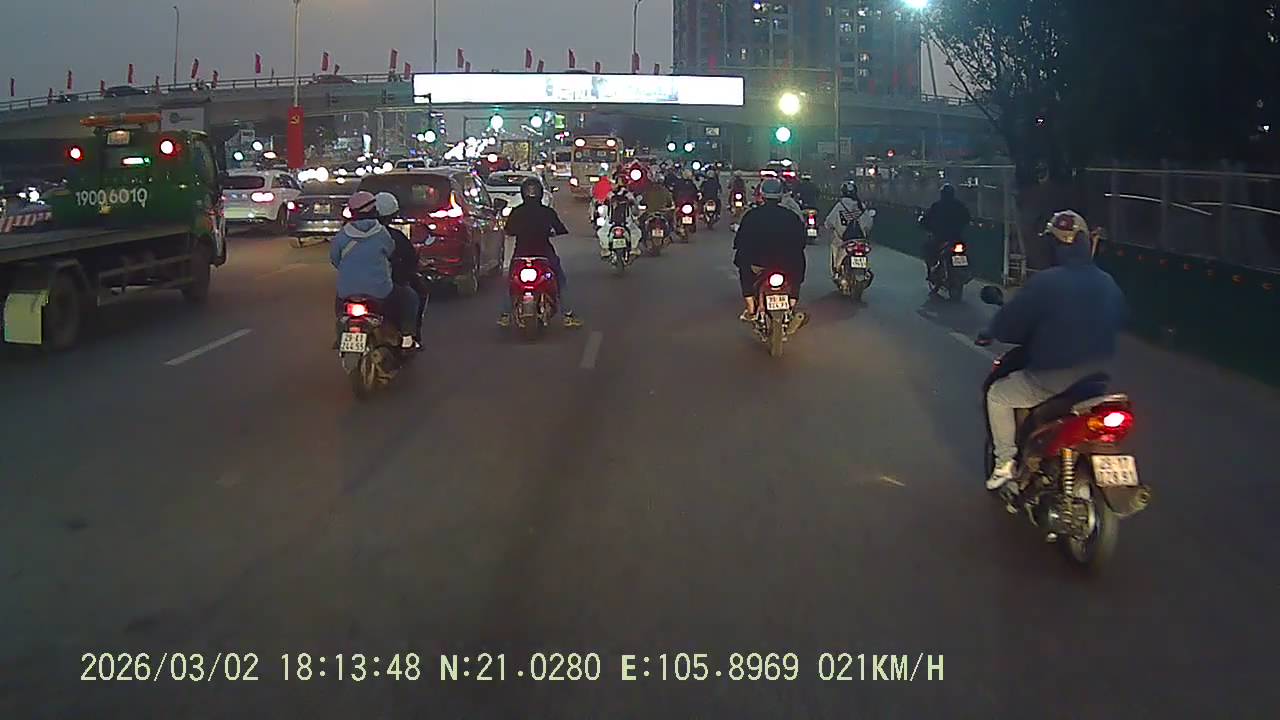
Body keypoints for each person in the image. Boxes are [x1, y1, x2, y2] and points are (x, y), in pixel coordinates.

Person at [978, 211, 1127, 490]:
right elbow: (1119, 320)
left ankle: (1005, 463)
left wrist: (991, 332)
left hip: (1052, 380)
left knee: (998, 395)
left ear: (1054, 245)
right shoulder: (1108, 282)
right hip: (1098, 381)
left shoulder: (1046, 281)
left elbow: (1009, 325)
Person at [330, 191, 419, 349]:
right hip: (380, 290)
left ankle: (341, 335)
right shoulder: (382, 233)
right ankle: (407, 338)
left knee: (339, 305)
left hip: (347, 291)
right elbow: (390, 251)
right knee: (409, 297)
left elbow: (335, 260)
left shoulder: (341, 235)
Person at [498, 177, 582, 328]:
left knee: (511, 281)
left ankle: (505, 315)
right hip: (544, 253)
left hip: (521, 254)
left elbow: (508, 230)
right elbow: (560, 228)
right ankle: (568, 315)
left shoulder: (517, 211)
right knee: (560, 281)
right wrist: (553, 232)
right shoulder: (547, 212)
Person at [732, 177, 808, 329]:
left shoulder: (751, 215)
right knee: (798, 266)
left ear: (762, 194)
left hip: (758, 264)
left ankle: (751, 307)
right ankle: (792, 303)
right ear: (780, 195)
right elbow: (802, 241)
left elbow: (740, 241)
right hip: (787, 264)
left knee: (743, 264)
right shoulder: (791, 216)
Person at [374, 191, 429, 348]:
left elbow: (336, 259)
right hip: (388, 285)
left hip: (353, 288)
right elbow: (409, 259)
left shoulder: (349, 234)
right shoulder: (391, 237)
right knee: (413, 297)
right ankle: (409, 338)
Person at [919, 183, 972, 281]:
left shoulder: (937, 206)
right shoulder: (959, 205)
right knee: (964, 250)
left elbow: (927, 219)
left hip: (941, 237)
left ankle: (932, 270)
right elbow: (967, 218)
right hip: (956, 237)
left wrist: (927, 225)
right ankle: (965, 271)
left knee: (928, 248)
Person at [824, 181, 867, 276]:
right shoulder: (861, 206)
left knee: (835, 247)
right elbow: (868, 223)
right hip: (860, 239)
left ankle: (837, 270)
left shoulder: (840, 206)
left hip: (842, 240)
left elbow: (829, 222)